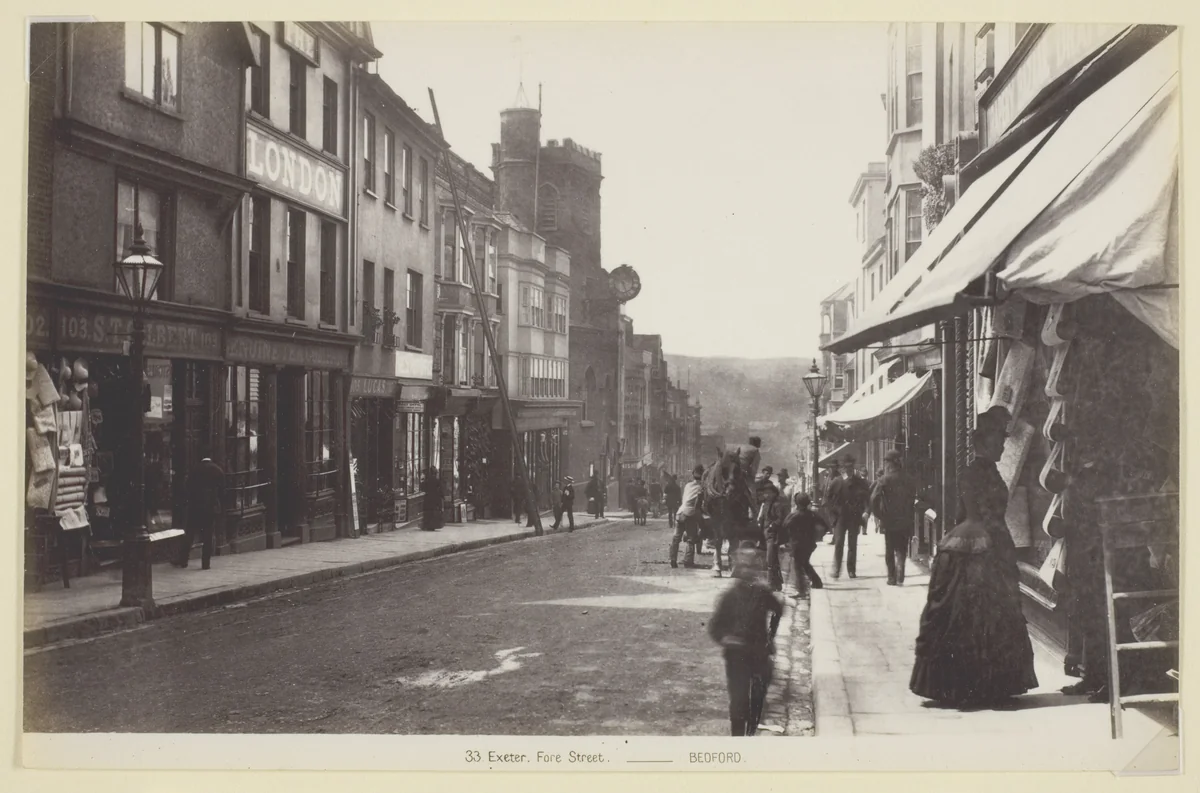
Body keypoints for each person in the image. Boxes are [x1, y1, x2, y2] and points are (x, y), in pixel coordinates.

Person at [910, 415, 1039, 708]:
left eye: (1003, 443)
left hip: (993, 543)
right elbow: (969, 511)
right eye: (998, 443)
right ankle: (971, 686)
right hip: (979, 546)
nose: (1002, 448)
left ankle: (991, 685)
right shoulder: (972, 473)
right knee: (974, 611)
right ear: (984, 443)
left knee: (991, 611)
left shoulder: (991, 471)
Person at [708, 543, 784, 736]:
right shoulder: (729, 597)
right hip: (737, 656)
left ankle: (751, 731)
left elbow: (779, 609)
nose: (749, 575)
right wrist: (727, 639)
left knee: (758, 697)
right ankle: (739, 739)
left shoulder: (762, 592)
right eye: (745, 570)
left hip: (758, 652)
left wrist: (770, 635)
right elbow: (715, 627)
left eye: (752, 570)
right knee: (739, 701)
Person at [870, 450, 918, 586]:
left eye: (886, 462)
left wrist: (879, 514)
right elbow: (913, 497)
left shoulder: (884, 479)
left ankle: (892, 577)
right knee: (902, 548)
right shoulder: (909, 479)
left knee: (889, 549)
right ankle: (901, 568)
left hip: (889, 520)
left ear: (890, 463)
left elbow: (873, 498)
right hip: (905, 519)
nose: (885, 465)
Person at [174, 454, 225, 570]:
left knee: (190, 534)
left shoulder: (195, 469)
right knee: (208, 535)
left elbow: (187, 487)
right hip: (210, 508)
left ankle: (183, 560)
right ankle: (205, 563)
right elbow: (223, 491)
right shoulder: (217, 470)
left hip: (195, 507)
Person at [826, 455, 871, 578]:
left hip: (854, 517)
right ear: (843, 468)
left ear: (853, 467)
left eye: (851, 467)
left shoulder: (860, 482)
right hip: (841, 517)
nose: (849, 470)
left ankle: (851, 570)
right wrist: (834, 513)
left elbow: (867, 499)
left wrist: (866, 512)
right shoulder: (837, 481)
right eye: (846, 467)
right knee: (839, 543)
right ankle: (836, 569)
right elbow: (828, 500)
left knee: (852, 544)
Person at [781, 493, 829, 596]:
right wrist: (818, 536)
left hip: (797, 544)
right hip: (810, 544)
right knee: (805, 563)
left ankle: (801, 590)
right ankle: (816, 582)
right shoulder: (812, 514)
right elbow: (825, 526)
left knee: (798, 566)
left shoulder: (793, 515)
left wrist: (785, 541)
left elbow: (784, 527)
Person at [671, 464, 706, 568]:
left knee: (676, 538)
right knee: (691, 539)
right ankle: (688, 561)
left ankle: (673, 559)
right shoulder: (702, 488)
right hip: (691, 514)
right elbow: (700, 504)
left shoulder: (687, 485)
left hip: (680, 512)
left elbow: (684, 499)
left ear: (692, 475)